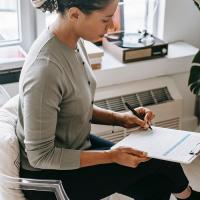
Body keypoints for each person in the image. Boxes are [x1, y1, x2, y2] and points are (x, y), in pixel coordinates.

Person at [16, 0, 200, 200]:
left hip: (76, 146)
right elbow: (40, 156)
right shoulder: (45, 69)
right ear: (75, 14)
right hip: (49, 179)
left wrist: (120, 119)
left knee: (157, 182)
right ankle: (189, 197)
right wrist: (112, 156)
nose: (112, 25)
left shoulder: (73, 42)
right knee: (156, 160)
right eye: (106, 18)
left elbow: (75, 106)